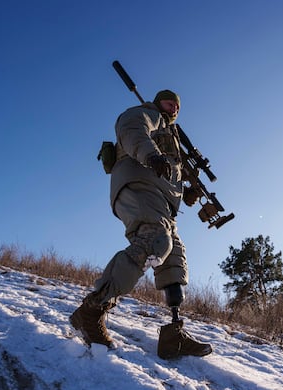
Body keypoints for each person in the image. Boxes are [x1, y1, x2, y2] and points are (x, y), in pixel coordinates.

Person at [70, 89, 212, 359]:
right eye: (170, 103)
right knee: (154, 241)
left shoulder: (170, 136)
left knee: (173, 256)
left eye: (177, 107)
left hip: (161, 201)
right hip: (138, 184)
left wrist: (187, 191)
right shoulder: (146, 114)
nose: (174, 109)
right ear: (159, 102)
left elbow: (170, 171)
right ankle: (90, 312)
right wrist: (151, 156)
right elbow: (132, 130)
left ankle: (173, 334)